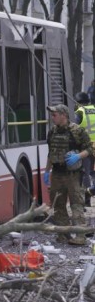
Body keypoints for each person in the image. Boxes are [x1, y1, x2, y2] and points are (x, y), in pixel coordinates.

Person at [44, 104, 91, 245]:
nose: (52, 118)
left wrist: (78, 156)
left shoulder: (77, 131)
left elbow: (90, 148)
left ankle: (80, 236)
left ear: (63, 115)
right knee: (58, 204)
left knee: (76, 204)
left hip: (73, 175)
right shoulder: (52, 132)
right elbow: (51, 153)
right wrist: (47, 171)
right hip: (57, 174)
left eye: (54, 115)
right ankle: (63, 235)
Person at [75, 92, 95, 205]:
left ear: (78, 103)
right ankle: (91, 193)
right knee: (93, 172)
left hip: (86, 147)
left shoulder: (79, 112)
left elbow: (75, 129)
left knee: (85, 173)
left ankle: (86, 200)